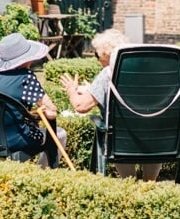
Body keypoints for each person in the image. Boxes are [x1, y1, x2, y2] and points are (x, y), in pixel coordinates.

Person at [60, 29, 162, 181]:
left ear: (106, 55)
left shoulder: (108, 72)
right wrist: (93, 89)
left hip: (123, 140)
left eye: (96, 54)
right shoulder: (150, 72)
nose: (96, 59)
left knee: (116, 131)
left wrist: (71, 90)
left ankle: (130, 183)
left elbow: (81, 106)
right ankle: (149, 183)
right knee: (147, 128)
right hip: (157, 139)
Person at [0, 32, 67, 168]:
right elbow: (51, 111)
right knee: (60, 134)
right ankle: (43, 173)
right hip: (15, 139)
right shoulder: (25, 77)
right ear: (26, 59)